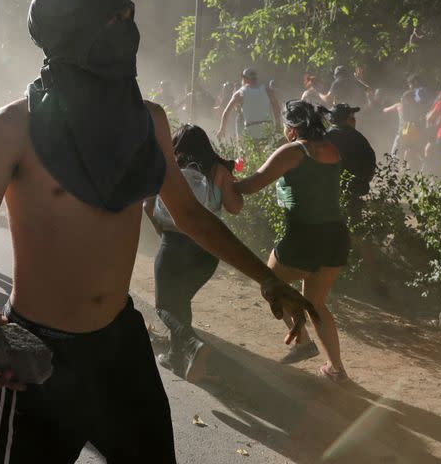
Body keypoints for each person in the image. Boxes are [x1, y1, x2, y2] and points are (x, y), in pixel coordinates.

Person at [0, 0, 317, 464]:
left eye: (130, 17)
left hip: (122, 347)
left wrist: (266, 280)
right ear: (71, 29)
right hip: (34, 356)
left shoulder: (150, 121)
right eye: (113, 18)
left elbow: (189, 214)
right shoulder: (14, 127)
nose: (129, 30)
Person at [234, 100, 349, 382]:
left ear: (292, 128)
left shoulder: (294, 151)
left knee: (268, 283)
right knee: (316, 303)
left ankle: (304, 343)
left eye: (286, 125)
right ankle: (336, 370)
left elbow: (253, 184)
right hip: (334, 236)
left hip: (303, 235)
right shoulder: (331, 148)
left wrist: (225, 183)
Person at [143, 124, 243, 382]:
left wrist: (160, 230)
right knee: (181, 301)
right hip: (208, 251)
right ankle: (176, 358)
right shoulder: (218, 170)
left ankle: (192, 345)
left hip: (174, 244)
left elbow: (147, 204)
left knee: (164, 305)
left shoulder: (170, 168)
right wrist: (230, 184)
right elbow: (234, 208)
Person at [325, 104, 376, 224]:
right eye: (352, 118)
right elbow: (370, 166)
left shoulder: (322, 137)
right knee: (354, 228)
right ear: (345, 120)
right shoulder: (358, 138)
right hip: (353, 193)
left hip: (325, 194)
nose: (354, 121)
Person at [217, 68, 281, 142]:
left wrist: (222, 129)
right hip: (267, 130)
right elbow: (277, 108)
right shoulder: (267, 90)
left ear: (244, 79)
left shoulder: (240, 93)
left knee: (250, 153)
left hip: (251, 131)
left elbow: (226, 112)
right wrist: (278, 125)